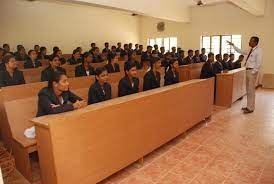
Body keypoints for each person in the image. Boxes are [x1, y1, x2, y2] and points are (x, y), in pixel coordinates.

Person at [228, 36, 262, 113]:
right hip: (248, 71)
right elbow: (241, 51)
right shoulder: (250, 50)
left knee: (251, 91)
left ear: (255, 42)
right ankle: (248, 106)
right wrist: (233, 45)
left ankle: (250, 108)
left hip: (252, 72)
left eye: (251, 41)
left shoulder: (259, 51)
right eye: (249, 40)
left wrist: (253, 72)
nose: (249, 42)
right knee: (248, 90)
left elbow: (258, 63)